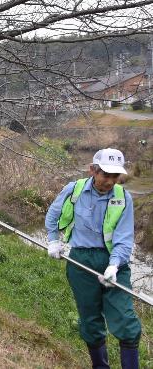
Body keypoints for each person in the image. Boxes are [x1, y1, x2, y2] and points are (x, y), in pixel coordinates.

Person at [45, 148, 140, 369]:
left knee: (126, 321)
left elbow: (124, 238)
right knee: (90, 320)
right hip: (81, 261)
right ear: (93, 170)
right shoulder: (74, 190)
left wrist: (115, 264)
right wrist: (53, 240)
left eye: (115, 176)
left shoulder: (123, 197)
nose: (109, 181)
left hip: (114, 263)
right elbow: (53, 214)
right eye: (105, 175)